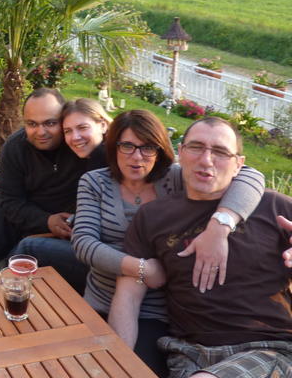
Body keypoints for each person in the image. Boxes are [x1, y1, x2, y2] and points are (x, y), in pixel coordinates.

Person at [70, 109, 264, 376]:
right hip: (102, 296)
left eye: (148, 148)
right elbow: (83, 242)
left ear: (160, 150)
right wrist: (142, 268)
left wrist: (220, 225)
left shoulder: (176, 177)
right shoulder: (95, 182)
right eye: (127, 146)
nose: (137, 157)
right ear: (113, 147)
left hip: (157, 306)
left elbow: (251, 175)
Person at [109, 117, 292, 378]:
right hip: (188, 353)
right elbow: (128, 297)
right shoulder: (152, 216)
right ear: (181, 152)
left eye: (220, 152)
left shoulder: (276, 207)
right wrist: (117, 363)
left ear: (239, 164)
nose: (206, 160)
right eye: (196, 147)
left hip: (267, 349)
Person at [0, 88, 97, 284]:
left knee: (17, 264)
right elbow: (10, 202)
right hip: (23, 211)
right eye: (32, 124)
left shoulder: (79, 144)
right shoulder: (15, 147)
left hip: (68, 220)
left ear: (63, 120)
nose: (41, 132)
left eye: (50, 123)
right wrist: (46, 220)